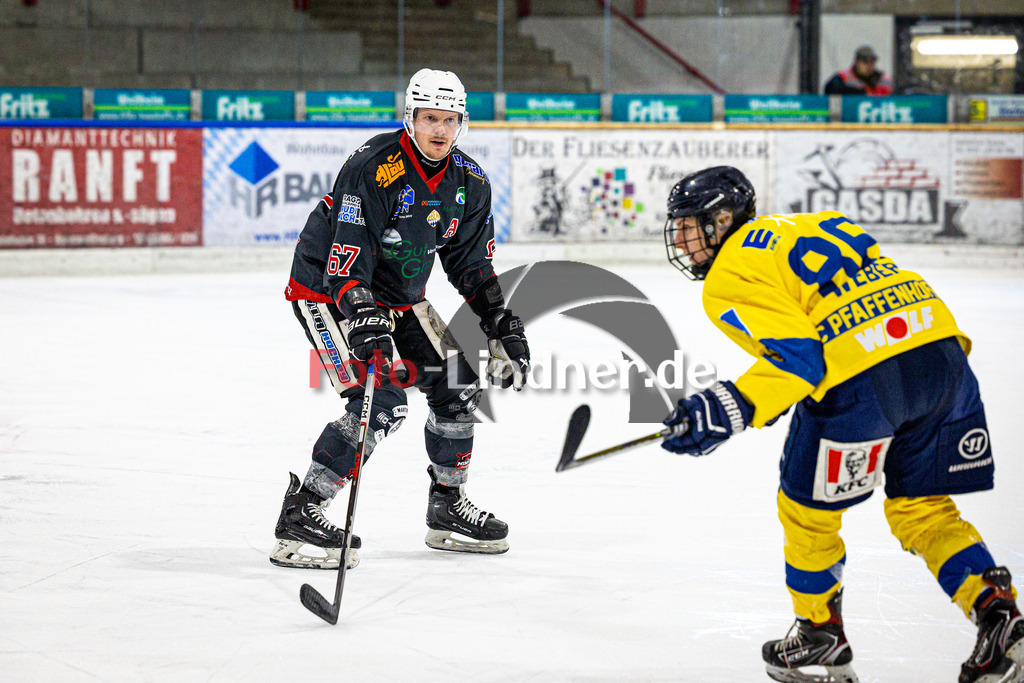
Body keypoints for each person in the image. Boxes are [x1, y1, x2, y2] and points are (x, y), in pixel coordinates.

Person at [659, 166, 1022, 683]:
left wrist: (723, 408)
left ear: (721, 220)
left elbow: (799, 362)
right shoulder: (814, 223)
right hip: (942, 355)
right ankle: (997, 616)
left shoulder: (727, 274)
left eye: (688, 225)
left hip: (865, 378)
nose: (679, 238)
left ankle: (818, 634)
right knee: (923, 509)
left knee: (807, 512)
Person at [270, 68, 531, 570]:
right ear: (409, 118)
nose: (439, 129)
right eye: (429, 117)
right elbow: (346, 256)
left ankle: (448, 507)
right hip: (330, 290)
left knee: (457, 388)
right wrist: (362, 318)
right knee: (381, 402)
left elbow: (471, 262)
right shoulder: (373, 165)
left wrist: (500, 319)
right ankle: (302, 511)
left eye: (449, 119)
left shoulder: (469, 182)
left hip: (400, 296)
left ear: (463, 123)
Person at [823, 45, 893, 96]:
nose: (869, 66)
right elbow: (830, 90)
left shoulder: (883, 80)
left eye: (872, 62)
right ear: (856, 62)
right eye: (865, 62)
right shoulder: (843, 78)